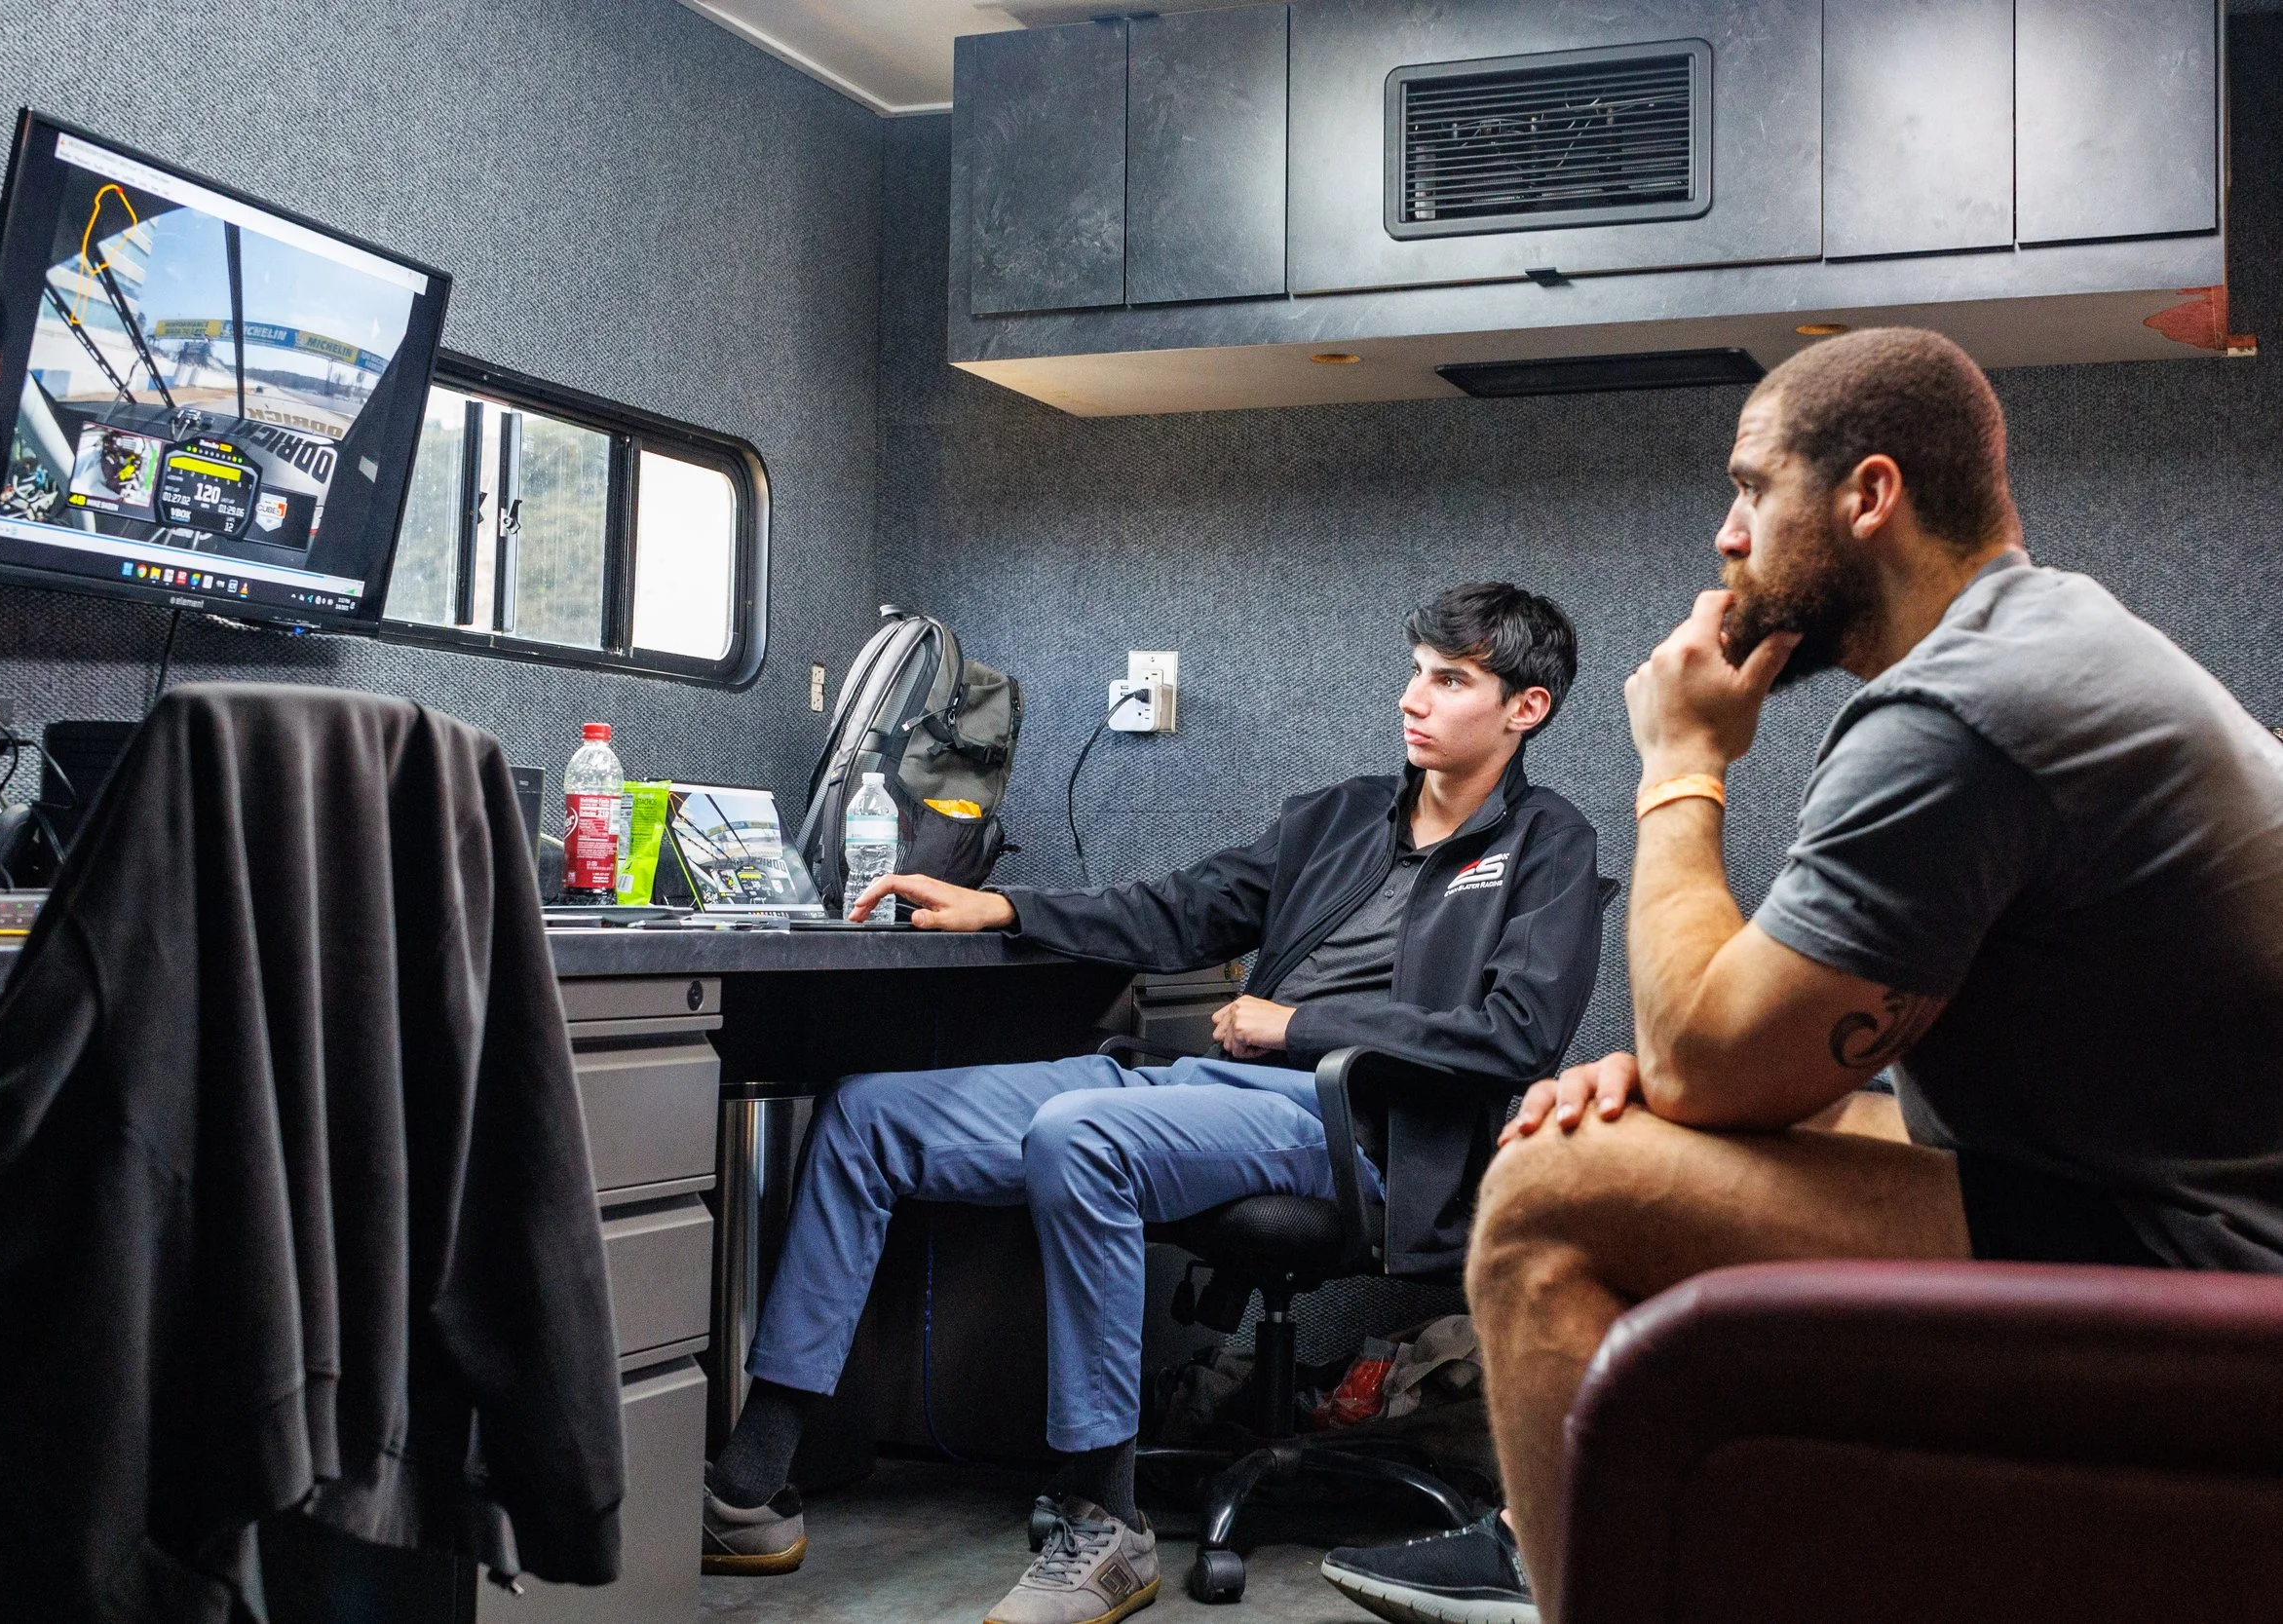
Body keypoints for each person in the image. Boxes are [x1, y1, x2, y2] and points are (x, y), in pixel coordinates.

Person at [1324, 327, 2283, 1624]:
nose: (1728, 535)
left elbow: (1704, 1057)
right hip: (2121, 1204)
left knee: (1551, 1192)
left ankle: (1557, 1575)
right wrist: (1680, 1089)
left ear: (1868, 494)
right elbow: (1763, 1066)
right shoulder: (2044, 638)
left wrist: (1679, 762)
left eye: (1752, 488)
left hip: (2213, 1276)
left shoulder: (1959, 715)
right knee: (1636, 1127)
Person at [702, 583, 1607, 1624]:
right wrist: (1002, 903)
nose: (1414, 697)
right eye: (1415, 668)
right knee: (872, 1115)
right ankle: (752, 1483)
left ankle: (1106, 1517)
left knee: (1077, 1135)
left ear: (1523, 708)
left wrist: (1295, 1027)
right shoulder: (1341, 814)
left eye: (1450, 679)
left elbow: (1514, 1035)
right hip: (1201, 1093)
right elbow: (1180, 909)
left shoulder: (1548, 847)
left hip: (1348, 1124)